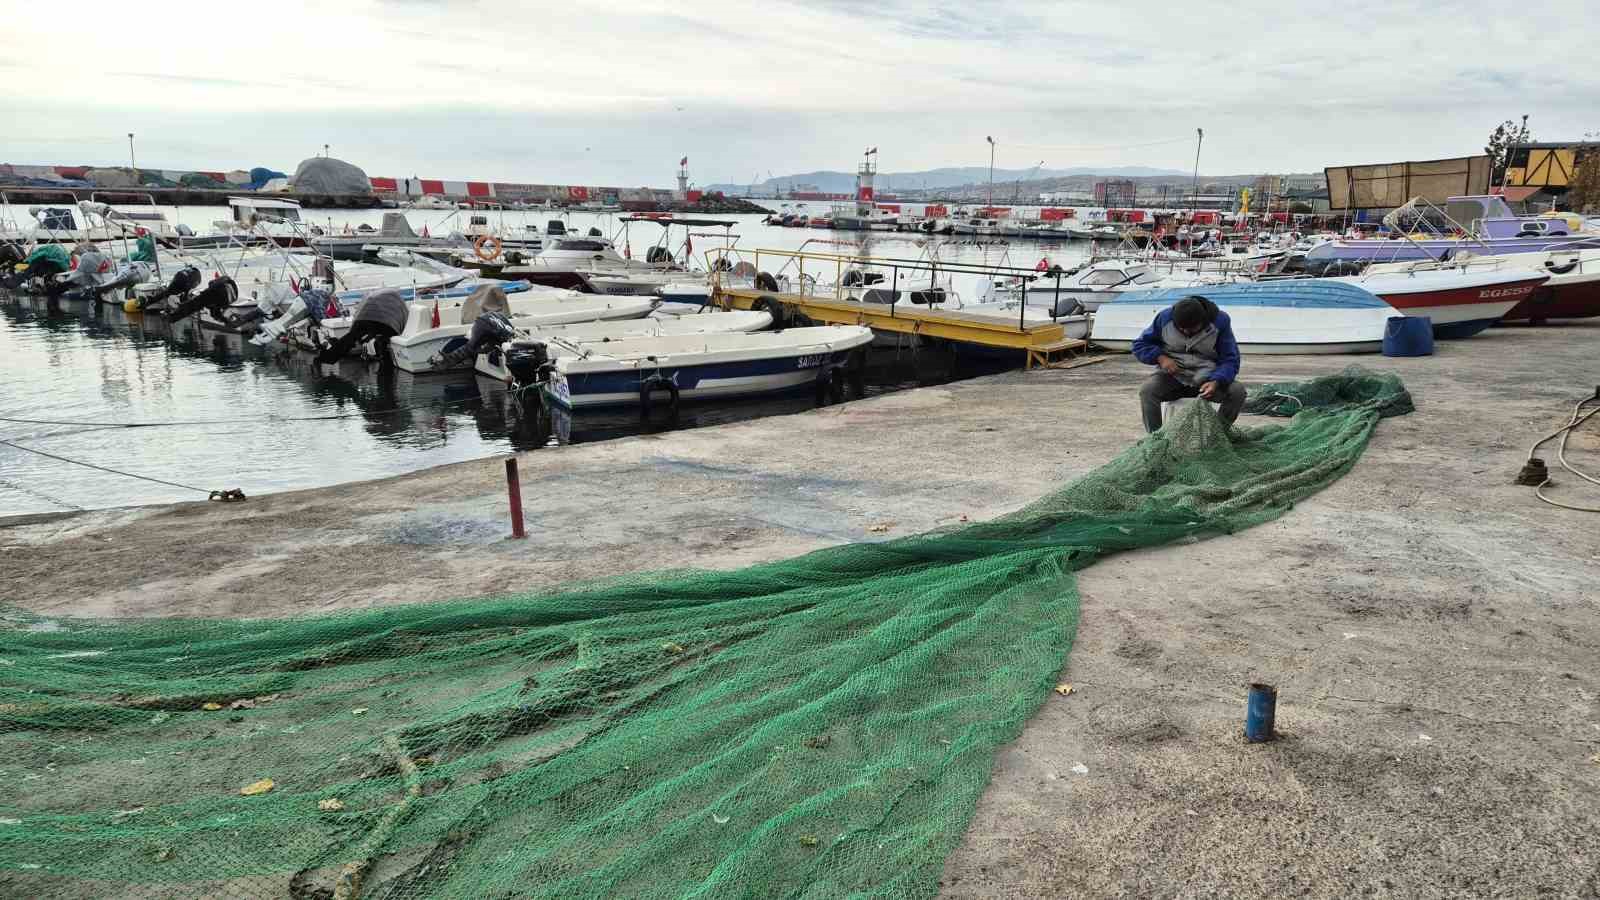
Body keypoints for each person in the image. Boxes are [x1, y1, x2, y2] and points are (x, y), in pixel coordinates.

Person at [1132, 294, 1245, 433]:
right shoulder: (1164, 318)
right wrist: (1161, 358)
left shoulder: (1220, 321)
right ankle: (1155, 437)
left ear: (1203, 321)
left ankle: (1216, 434)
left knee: (1237, 392)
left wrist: (1216, 381)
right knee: (1147, 391)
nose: (1186, 331)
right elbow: (1140, 345)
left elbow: (1230, 359)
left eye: (1192, 329)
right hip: (1172, 378)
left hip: (1207, 380)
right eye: (1181, 328)